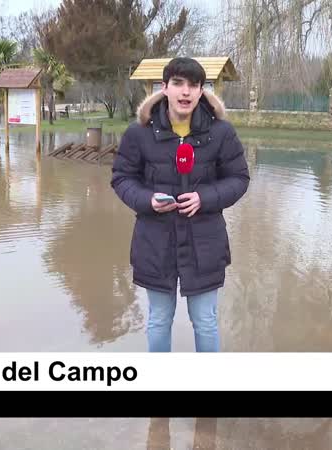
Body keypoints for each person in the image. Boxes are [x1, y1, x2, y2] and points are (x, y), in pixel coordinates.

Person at [111, 57, 250, 352]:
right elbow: (122, 178)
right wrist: (147, 200)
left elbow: (239, 179)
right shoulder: (139, 133)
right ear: (164, 88)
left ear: (201, 90)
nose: (185, 91)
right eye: (178, 83)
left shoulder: (221, 132)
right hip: (155, 242)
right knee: (159, 320)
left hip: (205, 243)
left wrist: (204, 198)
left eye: (193, 85)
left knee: (206, 321)